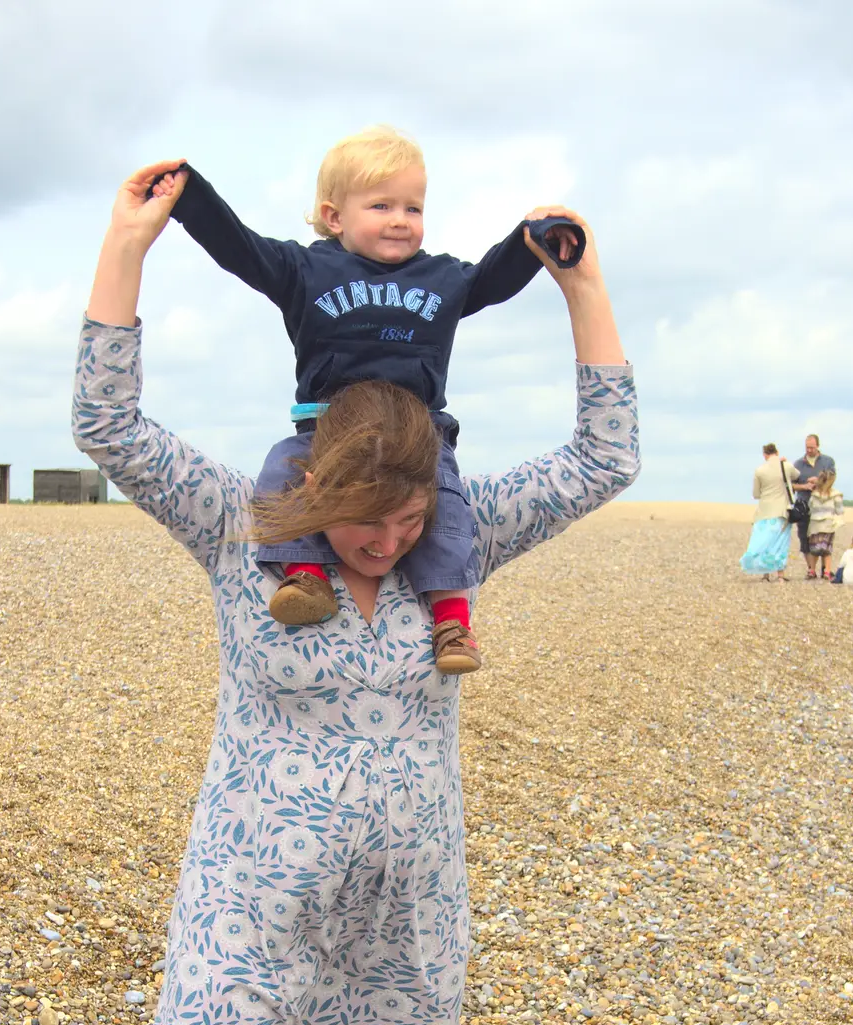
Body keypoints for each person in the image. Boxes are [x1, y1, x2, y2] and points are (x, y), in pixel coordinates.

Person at [7, 159, 639, 1025]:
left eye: (411, 521)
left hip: (405, 910)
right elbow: (108, 422)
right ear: (315, 485)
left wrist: (583, 286)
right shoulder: (243, 532)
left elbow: (604, 462)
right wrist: (128, 249)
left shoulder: (442, 547)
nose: (386, 542)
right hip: (254, 905)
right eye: (364, 520)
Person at [160, 127, 587, 675]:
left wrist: (538, 237)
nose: (400, 219)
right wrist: (191, 197)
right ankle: (305, 575)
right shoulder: (306, 272)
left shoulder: (442, 278)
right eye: (381, 204)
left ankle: (452, 619)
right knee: (278, 476)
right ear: (334, 216)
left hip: (420, 436)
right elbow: (240, 250)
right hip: (323, 429)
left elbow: (493, 278)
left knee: (446, 506)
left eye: (413, 207)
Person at [741, 442, 798, 579]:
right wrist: (785, 461)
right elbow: (796, 475)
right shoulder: (786, 466)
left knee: (765, 541)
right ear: (777, 452)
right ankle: (780, 575)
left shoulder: (759, 470)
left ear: (764, 455)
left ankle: (765, 574)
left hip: (764, 511)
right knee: (780, 543)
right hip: (781, 510)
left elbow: (756, 494)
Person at [793, 433, 836, 579]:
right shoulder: (798, 464)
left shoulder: (828, 461)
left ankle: (826, 569)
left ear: (817, 446)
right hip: (804, 505)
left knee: (824, 537)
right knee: (805, 537)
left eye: (811, 447)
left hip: (823, 505)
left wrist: (818, 481)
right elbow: (791, 485)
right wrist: (805, 486)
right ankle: (811, 570)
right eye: (807, 447)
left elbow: (832, 479)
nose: (809, 450)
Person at [806, 468, 844, 578]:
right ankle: (827, 571)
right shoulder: (835, 495)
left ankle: (812, 571)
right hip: (828, 525)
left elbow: (810, 507)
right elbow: (839, 510)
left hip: (815, 525)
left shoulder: (814, 494)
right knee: (827, 550)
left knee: (814, 550)